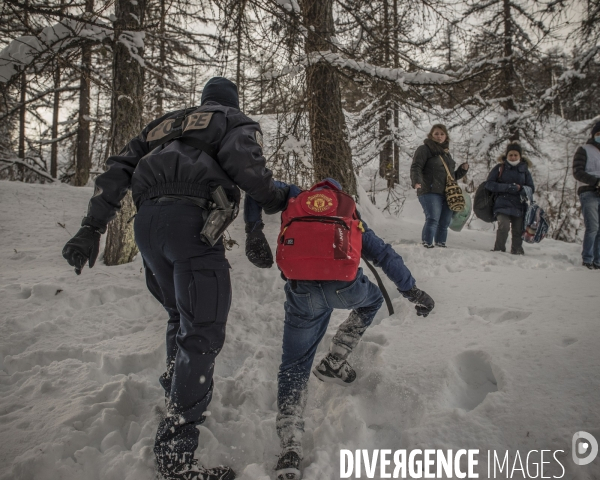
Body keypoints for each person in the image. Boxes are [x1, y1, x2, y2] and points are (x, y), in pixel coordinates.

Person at [62, 77, 290, 480]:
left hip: (147, 225)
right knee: (202, 331)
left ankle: (177, 392)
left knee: (178, 315)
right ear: (230, 101)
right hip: (193, 223)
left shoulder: (162, 124)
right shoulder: (231, 118)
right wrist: (275, 198)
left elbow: (117, 170)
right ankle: (176, 456)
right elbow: (246, 167)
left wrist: (92, 228)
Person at [244, 179, 435, 480]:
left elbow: (257, 186)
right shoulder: (348, 211)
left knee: (294, 365)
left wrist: (252, 229)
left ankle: (290, 446)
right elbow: (384, 254)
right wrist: (412, 291)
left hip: (303, 290)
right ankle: (336, 359)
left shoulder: (295, 196)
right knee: (371, 302)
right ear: (338, 193)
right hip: (345, 288)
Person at [410, 124, 469, 248]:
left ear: (446, 136)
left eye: (442, 134)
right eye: (436, 133)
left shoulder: (446, 154)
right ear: (431, 135)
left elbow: (451, 177)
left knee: (445, 222)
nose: (439, 136)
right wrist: (416, 181)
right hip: (429, 190)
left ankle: (441, 244)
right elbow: (416, 166)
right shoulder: (424, 149)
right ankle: (427, 244)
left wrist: (462, 170)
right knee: (433, 218)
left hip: (447, 193)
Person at [485, 141, 534, 255]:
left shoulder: (525, 170)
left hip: (519, 204)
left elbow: (531, 188)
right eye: (510, 155)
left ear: (520, 156)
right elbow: (489, 184)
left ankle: (517, 250)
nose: (513, 157)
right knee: (504, 226)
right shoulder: (499, 168)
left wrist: (520, 188)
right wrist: (507, 187)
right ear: (506, 156)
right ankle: (499, 249)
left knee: (518, 229)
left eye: (515, 155)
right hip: (502, 203)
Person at [573, 121, 600, 270]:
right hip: (588, 191)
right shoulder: (584, 149)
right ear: (593, 135)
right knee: (593, 227)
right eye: (598, 134)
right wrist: (596, 182)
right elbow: (577, 171)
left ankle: (598, 261)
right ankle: (587, 259)